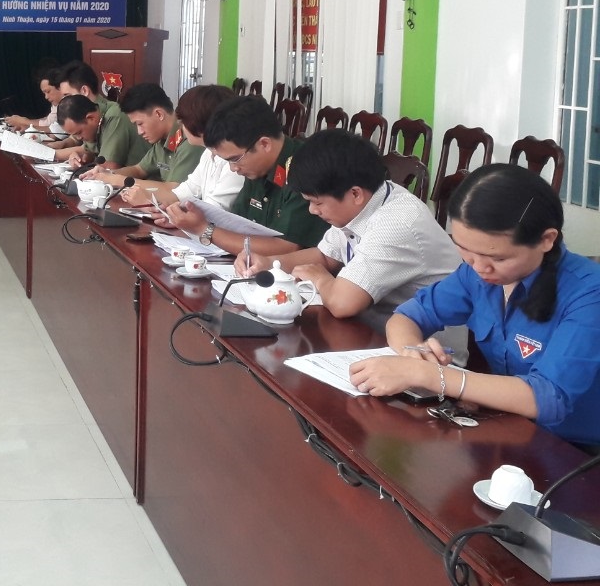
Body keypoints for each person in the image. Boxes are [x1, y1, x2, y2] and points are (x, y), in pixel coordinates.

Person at [350, 164, 600, 449]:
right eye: (466, 251)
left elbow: (549, 397)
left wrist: (427, 375)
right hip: (506, 427)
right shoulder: (477, 274)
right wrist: (412, 352)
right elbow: (408, 316)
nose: (480, 268)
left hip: (575, 451)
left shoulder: (589, 293)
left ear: (546, 240)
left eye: (498, 258)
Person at [249, 129, 465, 351]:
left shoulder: (397, 223)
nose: (312, 210)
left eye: (317, 202)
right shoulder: (369, 200)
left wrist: (321, 279)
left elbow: (343, 303)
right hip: (372, 334)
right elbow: (325, 256)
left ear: (355, 194)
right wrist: (269, 263)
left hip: (428, 354)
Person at [162, 94, 326, 257]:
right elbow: (237, 224)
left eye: (235, 159)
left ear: (264, 144)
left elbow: (288, 248)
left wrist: (204, 229)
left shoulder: (305, 168)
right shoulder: (256, 168)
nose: (233, 169)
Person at [127, 84, 243, 210]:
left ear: (199, 123)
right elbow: (185, 192)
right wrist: (150, 201)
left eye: (183, 122)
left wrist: (156, 206)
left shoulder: (234, 161)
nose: (181, 126)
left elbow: (214, 209)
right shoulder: (208, 153)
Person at [81, 83, 203, 194]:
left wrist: (117, 180)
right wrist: (108, 173)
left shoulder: (190, 139)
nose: (139, 132)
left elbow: (173, 190)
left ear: (159, 114)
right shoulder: (162, 139)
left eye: (140, 124)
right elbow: (139, 169)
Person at [52, 61, 144, 167]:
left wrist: (51, 154)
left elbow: (108, 167)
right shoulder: (94, 117)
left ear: (84, 90)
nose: (64, 101)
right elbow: (88, 150)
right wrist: (80, 156)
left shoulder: (113, 116)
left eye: (67, 96)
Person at [55, 94, 149, 170]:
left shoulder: (115, 117)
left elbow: (108, 167)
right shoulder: (98, 120)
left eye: (79, 133)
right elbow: (89, 152)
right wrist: (79, 157)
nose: (78, 138)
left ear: (91, 118)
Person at [4, 65, 66, 135]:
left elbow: (57, 130)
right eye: (44, 93)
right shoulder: (57, 104)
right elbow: (48, 121)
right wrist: (25, 123)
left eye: (48, 91)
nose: (46, 97)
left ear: (60, 87)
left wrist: (24, 122)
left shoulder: (70, 103)